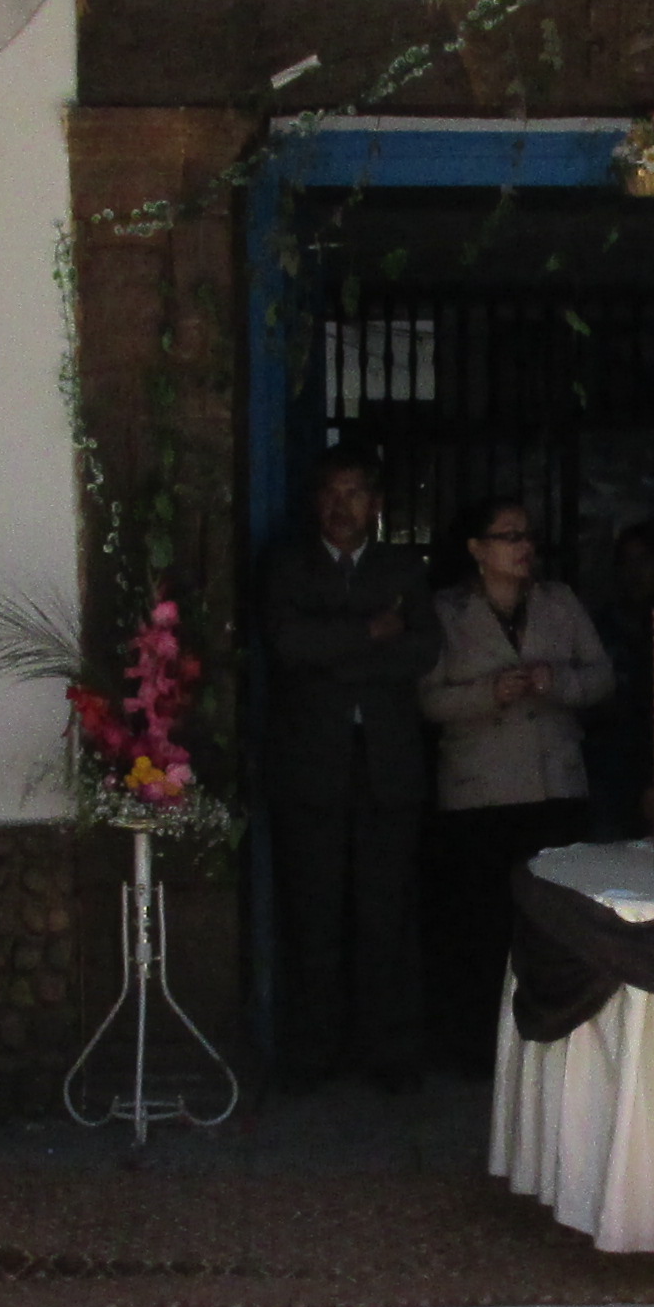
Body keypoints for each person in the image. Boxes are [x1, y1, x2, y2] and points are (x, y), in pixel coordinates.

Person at [260, 454, 440, 1091]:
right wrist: (370, 630)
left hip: (388, 768)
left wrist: (334, 653)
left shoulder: (403, 569)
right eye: (331, 493)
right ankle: (313, 1053)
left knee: (386, 913)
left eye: (355, 492)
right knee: (314, 913)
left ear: (377, 504)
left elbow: (422, 650)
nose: (342, 506)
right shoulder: (287, 566)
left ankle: (390, 1052)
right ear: (316, 501)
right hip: (311, 768)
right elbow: (289, 646)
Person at [419, 494, 616, 1062]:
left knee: (552, 923)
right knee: (482, 923)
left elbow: (602, 678)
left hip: (553, 783)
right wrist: (489, 694)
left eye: (527, 535)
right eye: (508, 536)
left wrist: (558, 684)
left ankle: (552, 1044)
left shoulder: (559, 602)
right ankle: (478, 1048)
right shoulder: (447, 612)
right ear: (476, 549)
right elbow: (427, 700)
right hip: (479, 791)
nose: (523, 546)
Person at [583, 516, 654, 843]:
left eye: (645, 560)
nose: (635, 571)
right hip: (610, 774)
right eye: (627, 561)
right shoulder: (598, 629)